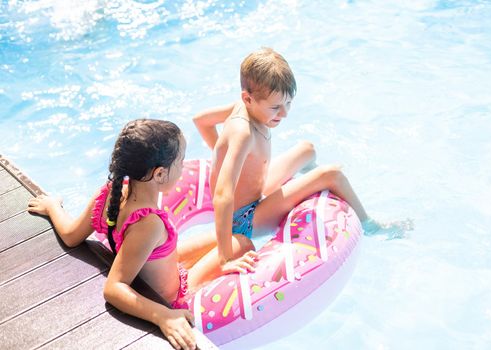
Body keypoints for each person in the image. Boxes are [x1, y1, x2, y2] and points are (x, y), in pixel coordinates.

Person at [190, 48, 411, 283]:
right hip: (245, 218)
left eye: (288, 103)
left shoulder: (242, 106)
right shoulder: (242, 134)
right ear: (248, 98)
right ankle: (371, 226)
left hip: (255, 190)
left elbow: (200, 121)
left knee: (307, 149)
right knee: (332, 174)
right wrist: (225, 257)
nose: (284, 114)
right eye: (275, 107)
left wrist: (229, 158)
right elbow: (223, 195)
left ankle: (307, 180)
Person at [28, 119, 199, 350]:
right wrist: (163, 316)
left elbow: (70, 235)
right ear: (159, 174)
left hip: (152, 267)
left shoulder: (113, 193)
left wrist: (52, 208)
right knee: (239, 244)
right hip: (169, 298)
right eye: (180, 161)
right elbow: (113, 288)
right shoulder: (149, 223)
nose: (183, 167)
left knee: (216, 243)